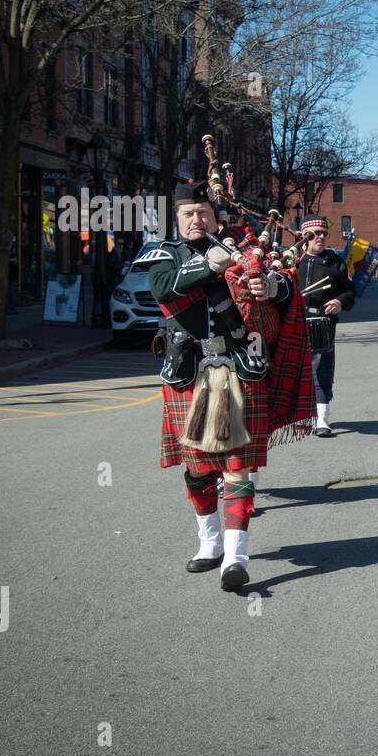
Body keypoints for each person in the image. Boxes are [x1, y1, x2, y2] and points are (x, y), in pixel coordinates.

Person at [137, 180, 313, 592]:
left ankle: (236, 557)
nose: (196, 220)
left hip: (239, 366)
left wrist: (269, 287)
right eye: (188, 214)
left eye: (203, 212)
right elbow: (164, 288)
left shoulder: (244, 249)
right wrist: (213, 263)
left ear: (215, 216)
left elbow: (286, 284)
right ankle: (210, 542)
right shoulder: (164, 255)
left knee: (238, 466)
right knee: (197, 469)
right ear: (176, 219)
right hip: (189, 370)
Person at [296, 215, 355, 437]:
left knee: (320, 369)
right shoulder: (292, 261)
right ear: (305, 237)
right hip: (294, 322)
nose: (321, 237)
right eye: (316, 234)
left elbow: (350, 291)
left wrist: (340, 301)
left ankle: (322, 418)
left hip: (323, 322)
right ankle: (301, 416)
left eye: (324, 233)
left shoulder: (334, 261)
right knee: (295, 370)